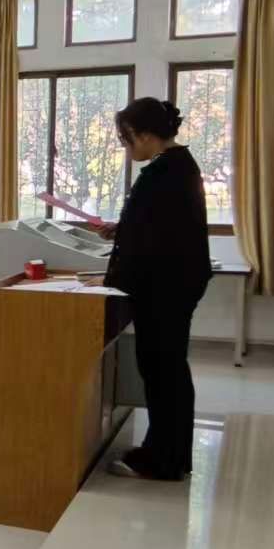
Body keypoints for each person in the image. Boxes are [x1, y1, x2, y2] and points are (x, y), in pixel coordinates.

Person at [101, 98, 212, 482]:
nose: (125, 147)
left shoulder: (164, 171)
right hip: (175, 283)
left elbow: (153, 239)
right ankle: (169, 452)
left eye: (126, 139)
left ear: (145, 135)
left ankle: (162, 459)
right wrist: (122, 229)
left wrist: (112, 283)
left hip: (165, 287)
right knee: (168, 369)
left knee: (163, 371)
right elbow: (161, 225)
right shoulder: (178, 165)